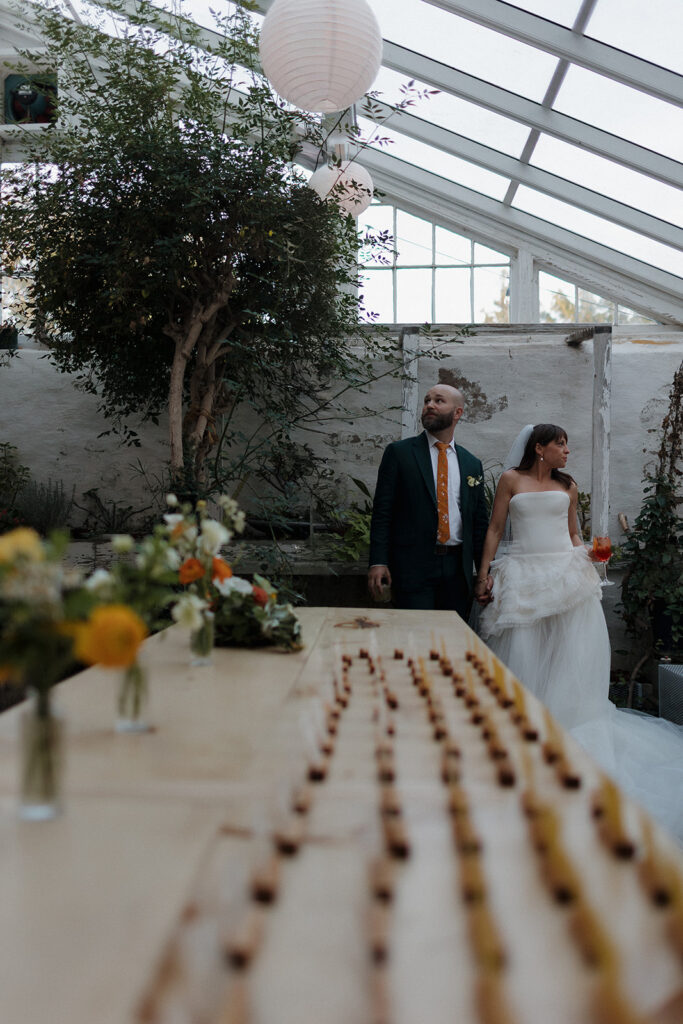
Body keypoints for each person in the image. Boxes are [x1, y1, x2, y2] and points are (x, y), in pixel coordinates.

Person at [477, 423, 683, 842]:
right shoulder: (511, 480)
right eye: (561, 444)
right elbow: (496, 531)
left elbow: (573, 534)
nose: (568, 451)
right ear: (540, 448)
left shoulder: (568, 486)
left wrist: (587, 553)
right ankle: (525, 729)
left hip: (564, 575)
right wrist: (484, 575)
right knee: (524, 653)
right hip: (521, 575)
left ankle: (567, 723)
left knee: (569, 651)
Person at [368, 384, 489, 617]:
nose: (429, 405)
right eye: (427, 400)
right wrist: (378, 562)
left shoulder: (472, 463)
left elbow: (479, 523)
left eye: (439, 400)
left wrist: (484, 574)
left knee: (452, 641)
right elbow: (383, 512)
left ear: (457, 413)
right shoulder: (400, 453)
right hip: (413, 566)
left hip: (457, 569)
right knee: (414, 637)